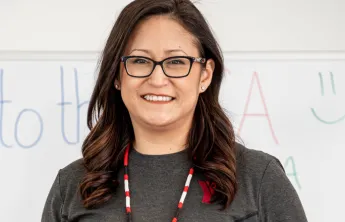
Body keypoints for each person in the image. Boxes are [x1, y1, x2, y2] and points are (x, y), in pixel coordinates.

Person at [41, 0, 308, 221]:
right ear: (117, 75)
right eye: (140, 60)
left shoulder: (258, 178)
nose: (158, 79)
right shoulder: (72, 185)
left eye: (177, 61)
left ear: (205, 75)